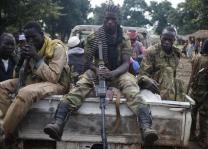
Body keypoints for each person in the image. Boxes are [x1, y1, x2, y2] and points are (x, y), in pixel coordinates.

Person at [44, 4, 158, 145]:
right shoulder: (94, 37)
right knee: (80, 86)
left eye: (113, 19)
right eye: (107, 19)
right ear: (104, 20)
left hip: (118, 72)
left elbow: (125, 63)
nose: (110, 22)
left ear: (117, 21)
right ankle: (58, 123)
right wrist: (97, 69)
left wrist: (113, 73)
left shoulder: (124, 38)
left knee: (132, 88)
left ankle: (146, 127)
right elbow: (87, 62)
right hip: (97, 71)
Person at [0, 22, 70, 147]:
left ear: (42, 35)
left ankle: (5, 134)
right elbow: (17, 78)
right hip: (36, 80)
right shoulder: (29, 47)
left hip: (57, 84)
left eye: (34, 37)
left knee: (26, 92)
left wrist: (36, 57)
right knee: (2, 87)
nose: (30, 41)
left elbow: (53, 77)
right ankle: (12, 128)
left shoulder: (56, 47)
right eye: (27, 38)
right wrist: (21, 60)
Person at [188, 36, 208, 148]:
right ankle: (202, 139)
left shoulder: (196, 57)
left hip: (194, 91)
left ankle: (191, 134)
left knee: (192, 113)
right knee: (204, 116)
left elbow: (193, 74)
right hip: (205, 94)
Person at [138, 26, 184, 101]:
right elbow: (142, 74)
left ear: (174, 39)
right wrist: (147, 81)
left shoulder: (176, 53)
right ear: (160, 37)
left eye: (170, 40)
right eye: (165, 39)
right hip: (154, 89)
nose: (167, 42)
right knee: (168, 70)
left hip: (171, 88)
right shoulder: (151, 52)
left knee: (179, 80)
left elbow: (175, 73)